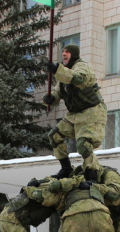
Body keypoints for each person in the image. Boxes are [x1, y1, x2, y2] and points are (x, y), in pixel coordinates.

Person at [42, 44, 106, 180]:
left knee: (83, 144)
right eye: (63, 51)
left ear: (74, 55)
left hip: (91, 112)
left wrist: (57, 69)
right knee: (54, 136)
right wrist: (50, 98)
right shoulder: (64, 73)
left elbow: (77, 79)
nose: (64, 54)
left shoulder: (82, 67)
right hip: (74, 115)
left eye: (67, 52)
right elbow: (57, 92)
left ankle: (92, 173)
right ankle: (65, 169)